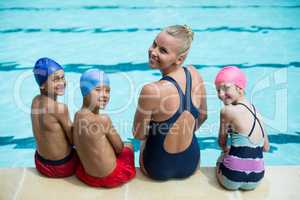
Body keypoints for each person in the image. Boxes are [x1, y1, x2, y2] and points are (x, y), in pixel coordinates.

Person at [133, 25, 207, 180]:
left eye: (163, 50)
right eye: (154, 44)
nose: (153, 52)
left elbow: (138, 134)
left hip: (157, 168)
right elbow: (203, 116)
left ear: (180, 59)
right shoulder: (195, 74)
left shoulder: (151, 90)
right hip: (191, 163)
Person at [74, 69, 136, 188]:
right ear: (85, 92)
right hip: (111, 178)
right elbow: (119, 148)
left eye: (107, 91)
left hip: (86, 176)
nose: (104, 95)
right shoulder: (103, 120)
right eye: (98, 90)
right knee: (129, 146)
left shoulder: (77, 116)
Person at [215, 66, 270, 190]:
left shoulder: (227, 111)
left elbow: (221, 143)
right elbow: (266, 148)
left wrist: (226, 150)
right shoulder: (257, 112)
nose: (220, 94)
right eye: (218, 90)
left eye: (225, 88)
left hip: (231, 177)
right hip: (257, 178)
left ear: (240, 88)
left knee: (221, 157)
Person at [31, 57, 77, 178]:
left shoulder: (35, 101)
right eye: (56, 79)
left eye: (62, 77)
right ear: (42, 85)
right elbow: (74, 141)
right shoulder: (60, 108)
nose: (61, 83)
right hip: (62, 167)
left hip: (40, 163)